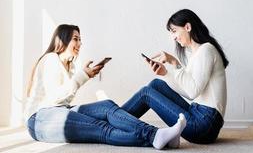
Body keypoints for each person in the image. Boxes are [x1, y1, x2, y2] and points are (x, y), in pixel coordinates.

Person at [24, 24, 187, 150]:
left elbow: (63, 99)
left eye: (80, 39)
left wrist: (83, 75)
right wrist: (83, 76)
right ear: (63, 39)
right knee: (102, 129)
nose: (80, 43)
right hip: (40, 119)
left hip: (60, 111)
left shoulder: (70, 67)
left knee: (106, 106)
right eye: (76, 38)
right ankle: (155, 136)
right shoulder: (51, 59)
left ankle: (163, 138)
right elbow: (54, 98)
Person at [122, 9, 228, 144]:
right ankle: (115, 118)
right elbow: (189, 92)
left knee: (146, 93)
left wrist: (175, 63)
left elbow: (193, 91)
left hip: (204, 124)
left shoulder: (206, 50)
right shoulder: (197, 54)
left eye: (174, 31)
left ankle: (113, 117)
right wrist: (165, 74)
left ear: (188, 27)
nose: (173, 37)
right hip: (199, 115)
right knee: (156, 84)